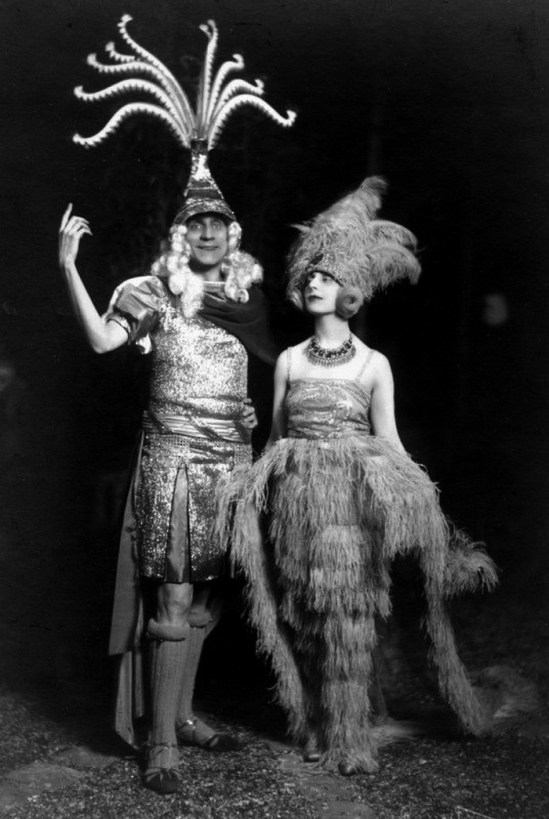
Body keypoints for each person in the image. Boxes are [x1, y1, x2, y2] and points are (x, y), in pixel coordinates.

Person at [59, 17, 294, 794]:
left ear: (233, 236)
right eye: (196, 224)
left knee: (208, 601)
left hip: (229, 458)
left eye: (218, 225)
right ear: (179, 233)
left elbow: (259, 368)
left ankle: (187, 714)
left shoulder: (245, 303)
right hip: (171, 463)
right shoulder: (152, 294)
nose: (208, 234)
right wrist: (71, 268)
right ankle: (159, 743)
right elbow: (100, 343)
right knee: (174, 596)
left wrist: (256, 431)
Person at [217, 177, 498, 776]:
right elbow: (274, 437)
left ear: (351, 291)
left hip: (353, 507)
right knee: (309, 617)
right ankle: (321, 725)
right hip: (298, 501)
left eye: (327, 276)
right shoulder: (289, 360)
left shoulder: (374, 365)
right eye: (310, 274)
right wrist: (248, 488)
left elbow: (390, 442)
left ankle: (351, 741)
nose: (314, 282)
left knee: (349, 621)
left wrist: (429, 512)